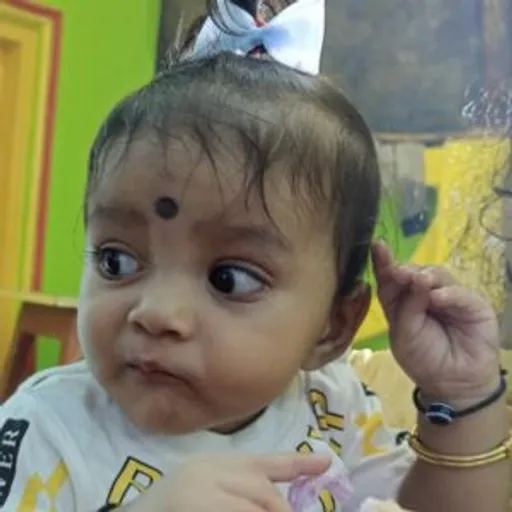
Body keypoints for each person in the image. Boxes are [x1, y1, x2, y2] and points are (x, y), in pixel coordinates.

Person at [0, 0, 509, 510]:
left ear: (332, 327)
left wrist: (461, 399)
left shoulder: (332, 406)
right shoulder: (47, 429)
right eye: (117, 261)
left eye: (229, 278)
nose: (156, 313)